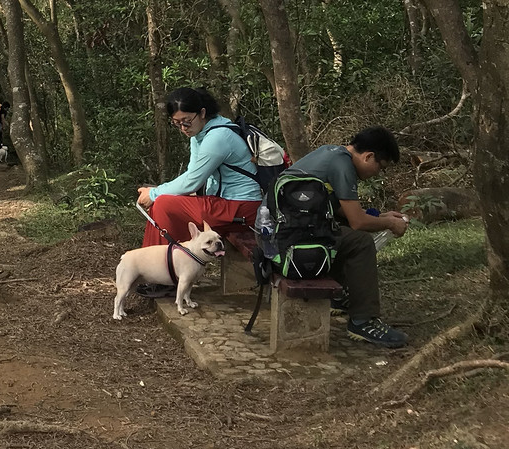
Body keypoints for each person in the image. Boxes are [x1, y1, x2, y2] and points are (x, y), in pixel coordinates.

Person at [289, 127, 409, 349]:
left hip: (282, 230)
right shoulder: (343, 165)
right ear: (369, 156)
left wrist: (381, 216)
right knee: (360, 242)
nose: (378, 173)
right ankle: (363, 321)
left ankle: (339, 296)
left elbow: (340, 209)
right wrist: (391, 223)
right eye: (380, 168)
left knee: (342, 230)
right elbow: (358, 222)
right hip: (289, 238)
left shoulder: (331, 152)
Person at [136, 87, 261, 249]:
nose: (183, 128)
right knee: (165, 202)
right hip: (225, 204)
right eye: (177, 123)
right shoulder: (201, 133)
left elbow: (192, 182)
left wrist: (153, 193)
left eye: (187, 121)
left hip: (242, 207)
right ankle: (166, 264)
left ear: (202, 113)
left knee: (163, 204)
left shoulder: (218, 137)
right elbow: (193, 175)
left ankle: (156, 266)